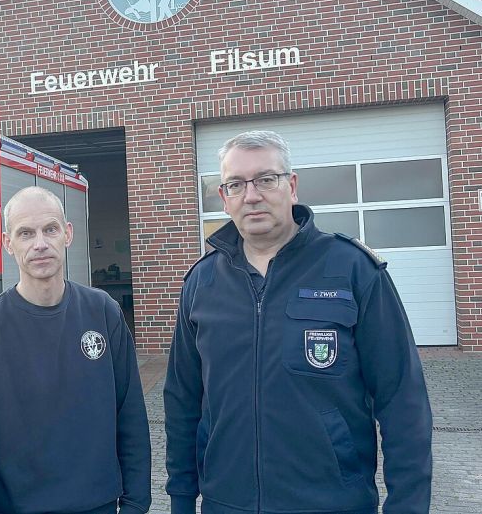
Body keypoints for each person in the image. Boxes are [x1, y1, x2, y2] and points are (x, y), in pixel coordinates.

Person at [164, 131, 432, 514]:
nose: (251, 195)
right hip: (227, 501)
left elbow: (402, 400)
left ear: (291, 186)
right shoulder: (202, 283)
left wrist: (408, 505)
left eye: (265, 179)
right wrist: (181, 499)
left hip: (332, 502)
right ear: (224, 198)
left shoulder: (352, 270)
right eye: (236, 184)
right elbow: (182, 401)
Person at [0, 186, 152, 514]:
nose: (40, 244)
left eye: (50, 229)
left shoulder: (103, 313)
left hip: (98, 505)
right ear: (8, 243)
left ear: (67, 234)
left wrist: (135, 504)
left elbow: (130, 417)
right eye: (26, 233)